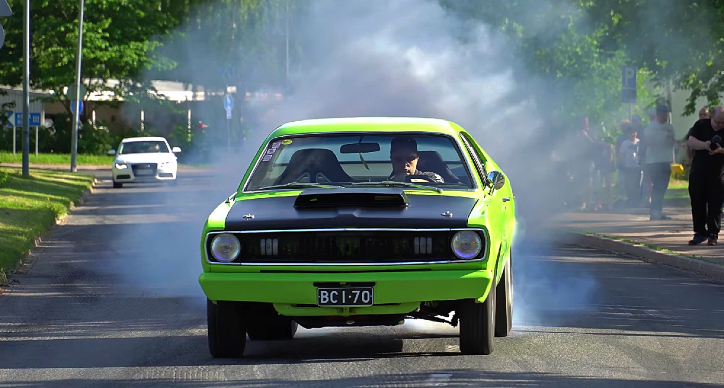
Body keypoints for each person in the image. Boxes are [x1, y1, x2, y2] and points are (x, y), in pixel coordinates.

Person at [686, 105, 724, 246]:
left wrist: (721, 151)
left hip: (718, 175)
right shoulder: (701, 125)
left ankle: (713, 235)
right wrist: (705, 144)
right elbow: (691, 141)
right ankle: (699, 233)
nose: (720, 125)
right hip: (698, 173)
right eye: (717, 121)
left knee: (715, 207)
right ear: (711, 117)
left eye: (723, 122)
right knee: (697, 204)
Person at [641, 104, 677, 220]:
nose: (664, 116)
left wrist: (674, 142)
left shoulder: (669, 127)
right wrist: (663, 138)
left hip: (666, 160)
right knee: (657, 186)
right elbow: (649, 142)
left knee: (663, 187)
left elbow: (672, 141)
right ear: (657, 115)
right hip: (654, 161)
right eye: (662, 114)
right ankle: (654, 211)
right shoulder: (651, 127)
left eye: (666, 114)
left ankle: (659, 210)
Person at [619, 128, 642, 207]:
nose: (632, 134)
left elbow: (642, 153)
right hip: (628, 166)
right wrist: (623, 164)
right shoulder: (625, 143)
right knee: (628, 184)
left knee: (637, 184)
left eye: (634, 132)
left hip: (637, 166)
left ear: (636, 133)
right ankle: (630, 200)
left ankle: (636, 200)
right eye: (631, 133)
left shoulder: (639, 143)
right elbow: (622, 154)